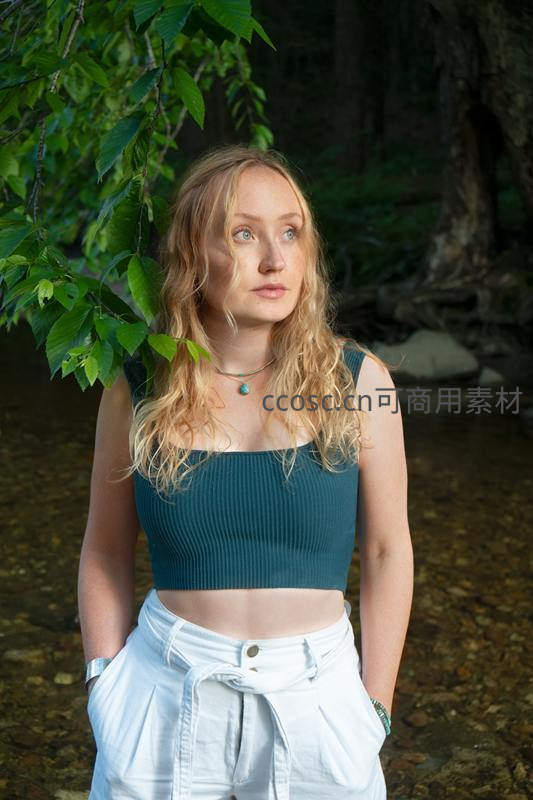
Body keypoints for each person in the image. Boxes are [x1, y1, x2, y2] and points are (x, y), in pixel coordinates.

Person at [78, 144, 414, 800]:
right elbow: (105, 549)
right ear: (192, 254)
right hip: (163, 693)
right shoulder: (139, 385)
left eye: (290, 233)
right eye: (243, 234)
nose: (274, 259)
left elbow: (386, 550)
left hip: (320, 702)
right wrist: (103, 685)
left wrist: (374, 706)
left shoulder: (359, 381)